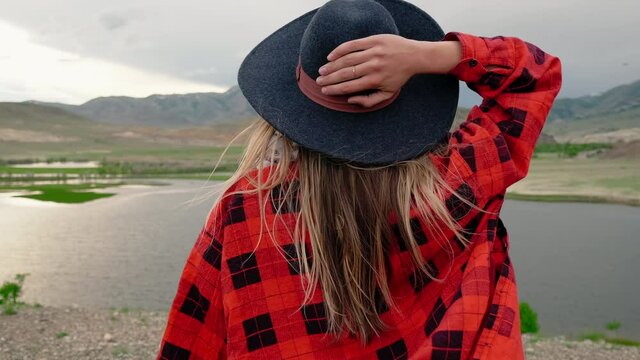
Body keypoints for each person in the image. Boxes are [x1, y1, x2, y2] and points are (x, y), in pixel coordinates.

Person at [157, 0, 562, 359]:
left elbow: (194, 339)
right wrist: (432, 57)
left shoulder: (246, 211)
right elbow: (535, 75)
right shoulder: (461, 183)